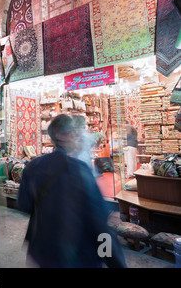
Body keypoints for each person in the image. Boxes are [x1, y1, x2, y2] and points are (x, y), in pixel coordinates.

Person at [17, 114, 127, 268]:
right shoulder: (79, 170)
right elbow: (98, 223)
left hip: (42, 252)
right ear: (60, 136)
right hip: (76, 256)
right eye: (72, 132)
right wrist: (114, 261)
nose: (77, 136)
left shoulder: (33, 166)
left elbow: (24, 204)